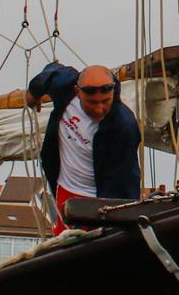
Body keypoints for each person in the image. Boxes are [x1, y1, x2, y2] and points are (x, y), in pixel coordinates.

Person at [31, 62, 142, 217]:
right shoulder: (65, 87)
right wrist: (33, 93)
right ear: (77, 92)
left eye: (105, 101)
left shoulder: (123, 127)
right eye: (92, 102)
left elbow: (121, 183)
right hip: (63, 189)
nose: (99, 109)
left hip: (96, 201)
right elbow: (50, 73)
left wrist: (110, 222)